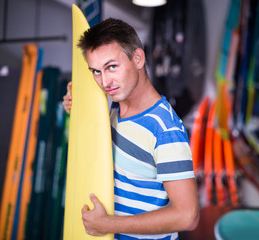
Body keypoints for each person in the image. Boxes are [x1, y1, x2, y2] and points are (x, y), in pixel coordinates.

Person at [63, 18, 199, 239]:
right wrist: (77, 108)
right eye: (96, 71)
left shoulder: (165, 129)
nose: (105, 82)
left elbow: (187, 216)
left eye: (112, 67)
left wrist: (108, 224)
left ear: (138, 58)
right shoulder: (117, 107)